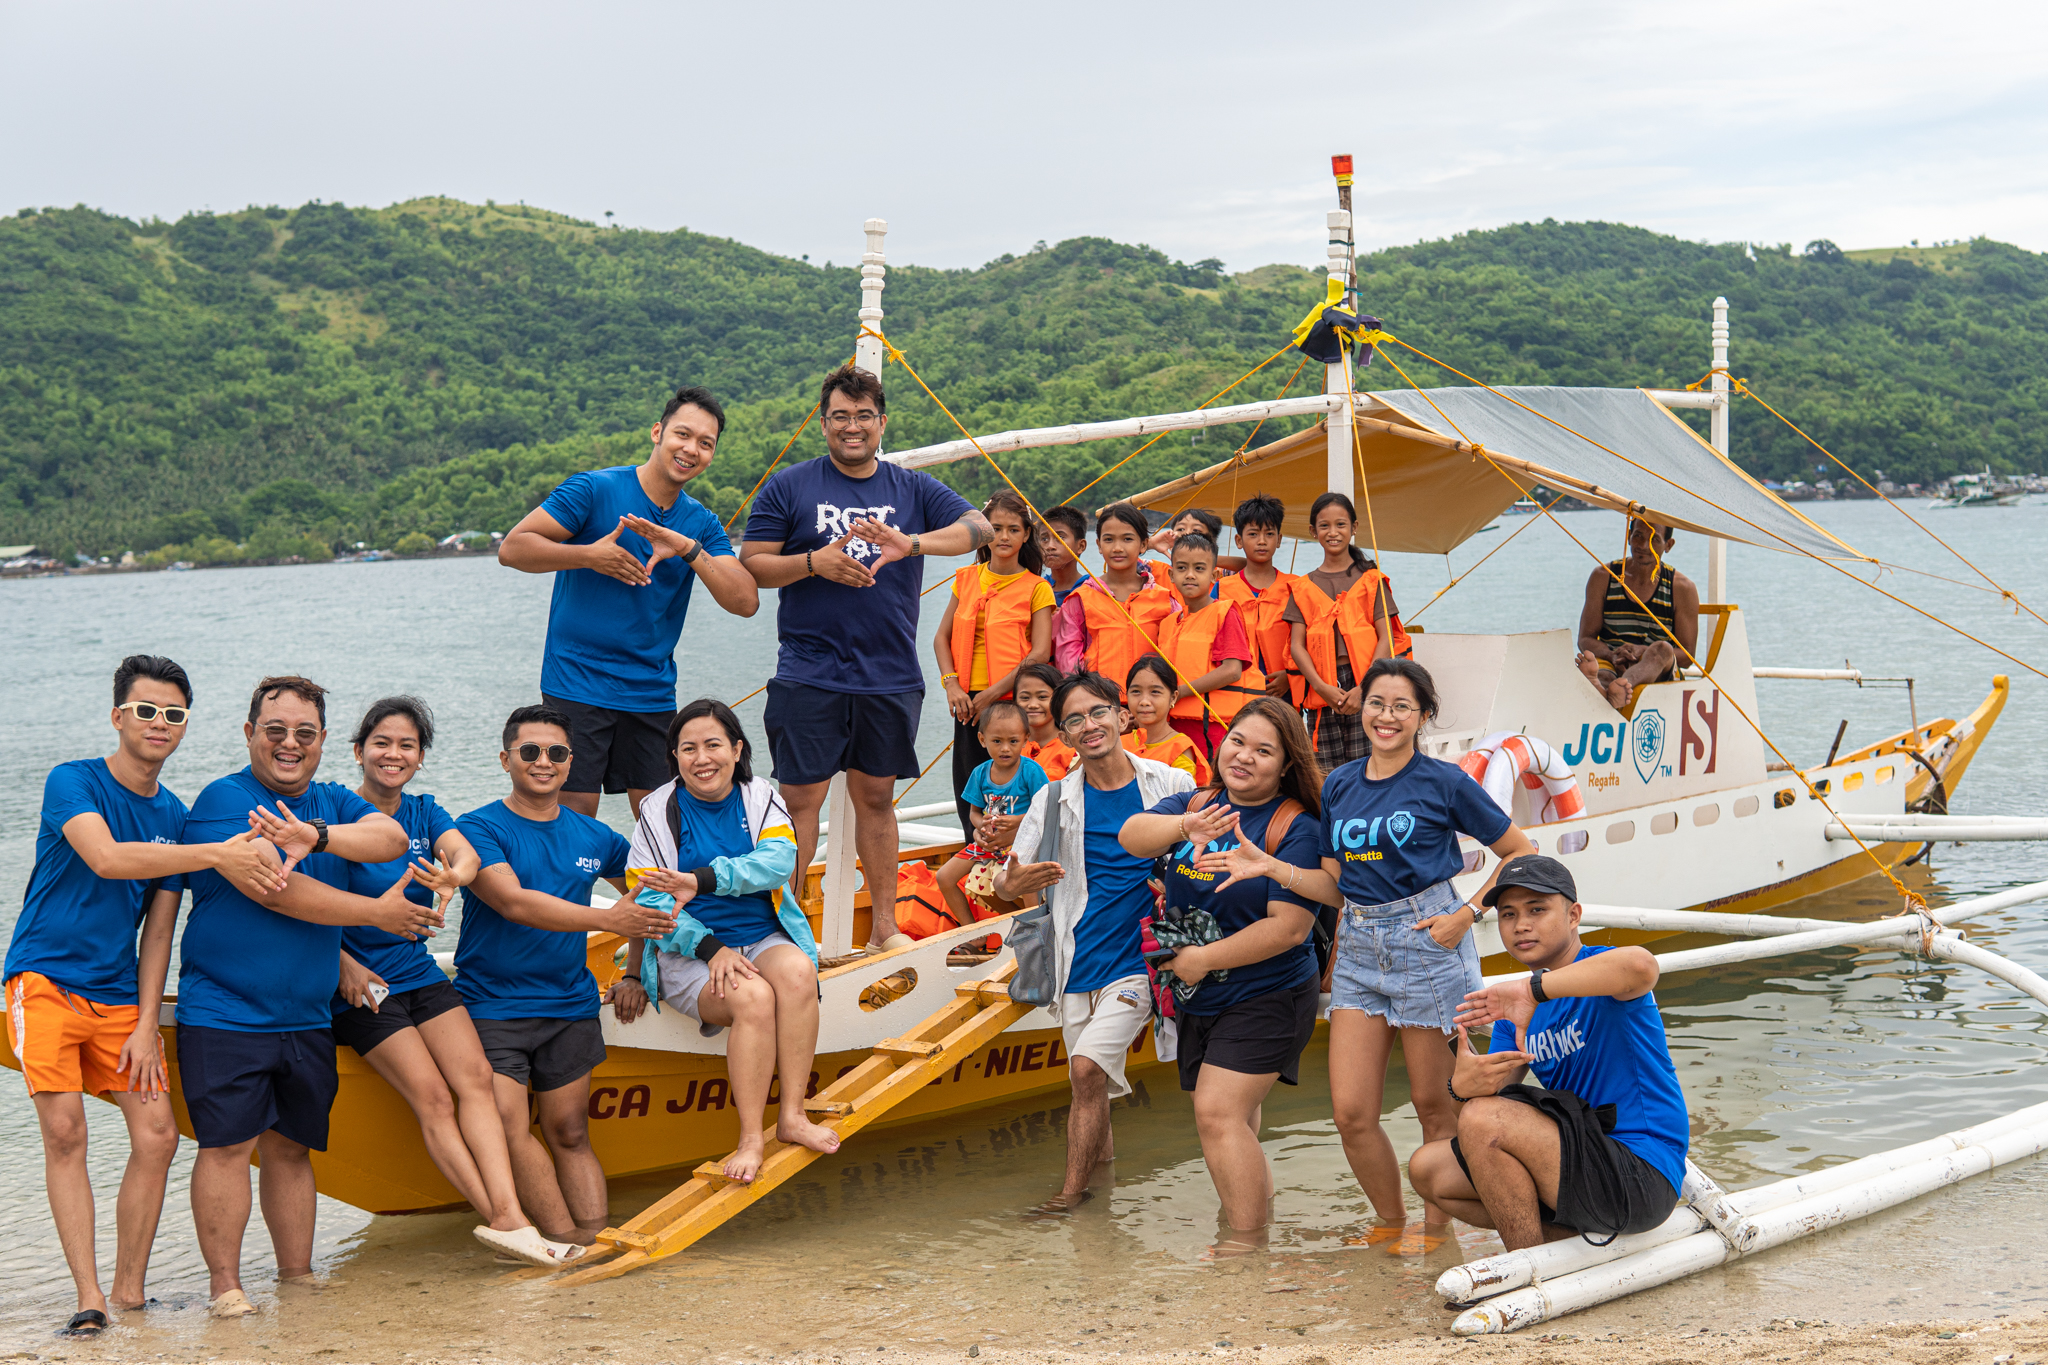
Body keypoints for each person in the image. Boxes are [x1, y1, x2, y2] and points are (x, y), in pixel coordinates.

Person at [3, 656, 288, 1337]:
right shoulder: (73, 780)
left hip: (118, 999)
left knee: (158, 1136)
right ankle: (89, 1294)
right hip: (42, 981)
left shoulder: (178, 816)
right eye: (147, 710)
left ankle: (130, 1289)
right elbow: (106, 858)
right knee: (65, 1132)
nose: (161, 724)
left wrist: (143, 1020)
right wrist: (217, 853)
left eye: (174, 715)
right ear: (118, 716)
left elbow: (159, 928)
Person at [1235, 659, 1535, 1253]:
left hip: (1428, 941)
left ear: (1424, 715)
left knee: (1433, 1104)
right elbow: (1334, 886)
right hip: (1359, 949)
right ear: (1361, 707)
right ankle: (1391, 1220)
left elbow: (1518, 850)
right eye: (1377, 703)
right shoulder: (1341, 783)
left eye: (1402, 706)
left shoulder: (1443, 782)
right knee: (1350, 1111)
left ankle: (1437, 1228)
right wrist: (1275, 869)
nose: (1387, 716)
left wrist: (1467, 913)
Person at [176, 675, 432, 1317]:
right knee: (228, 1147)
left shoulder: (329, 801)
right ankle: (225, 1289)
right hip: (227, 1011)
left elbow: (392, 839)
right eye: (275, 731)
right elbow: (275, 888)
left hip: (308, 1015)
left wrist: (316, 835)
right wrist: (376, 914)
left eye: (305, 733)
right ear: (248, 734)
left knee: (292, 1148)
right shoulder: (224, 799)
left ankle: (296, 1275)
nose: (289, 744)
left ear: (321, 740)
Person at [739, 364, 991, 945]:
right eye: (839, 417)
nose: (851, 427)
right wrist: (813, 563)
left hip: (889, 672)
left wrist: (913, 543)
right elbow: (753, 562)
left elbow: (977, 526)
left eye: (863, 417)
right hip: (809, 669)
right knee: (800, 800)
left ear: (882, 422)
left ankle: (883, 929)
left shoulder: (911, 488)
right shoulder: (790, 485)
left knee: (876, 797)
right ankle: (784, 930)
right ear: (823, 423)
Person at [328, 696, 581, 1267]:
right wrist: (339, 962)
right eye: (382, 743)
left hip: (417, 971)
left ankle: (510, 1214)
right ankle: (506, 1221)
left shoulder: (423, 811)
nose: (394, 755)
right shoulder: (335, 815)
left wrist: (453, 878)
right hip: (363, 983)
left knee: (479, 1085)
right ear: (358, 751)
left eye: (407, 746)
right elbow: (306, 903)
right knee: (436, 1098)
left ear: (420, 757)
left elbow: (464, 856)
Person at [454, 705, 674, 1246]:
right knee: (509, 1129)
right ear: (506, 759)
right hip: (492, 1007)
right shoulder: (476, 828)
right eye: (530, 752)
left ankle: (596, 1242)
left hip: (569, 1006)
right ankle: (562, 1244)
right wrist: (609, 920)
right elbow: (513, 903)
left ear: (572, 762)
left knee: (571, 1132)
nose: (543, 762)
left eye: (556, 753)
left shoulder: (595, 836)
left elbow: (649, 895)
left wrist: (636, 971)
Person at [499, 385, 760, 822]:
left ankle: (649, 893)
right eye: (682, 434)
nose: (690, 449)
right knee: (575, 820)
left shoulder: (700, 523)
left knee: (664, 821)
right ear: (657, 432)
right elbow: (514, 548)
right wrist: (588, 556)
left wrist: (687, 548)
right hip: (576, 683)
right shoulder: (594, 489)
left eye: (705, 443)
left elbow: (745, 601)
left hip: (650, 692)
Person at [1116, 698, 1324, 1245]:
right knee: (1236, 1120)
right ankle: (1254, 1218)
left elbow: (1290, 928)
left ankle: (1243, 1246)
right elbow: (1131, 836)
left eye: (1264, 750)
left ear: (1286, 765)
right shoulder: (1199, 803)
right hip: (1198, 997)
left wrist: (1201, 960)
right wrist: (1183, 824)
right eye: (1237, 741)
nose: (1245, 756)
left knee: (1216, 1113)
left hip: (1269, 992)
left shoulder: (1293, 827)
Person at [608, 699, 841, 1183]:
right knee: (753, 998)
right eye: (688, 748)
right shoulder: (658, 809)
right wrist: (712, 949)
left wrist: (703, 879)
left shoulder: (761, 797)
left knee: (798, 973)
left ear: (736, 749)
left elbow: (779, 861)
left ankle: (793, 1116)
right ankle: (751, 1139)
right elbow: (650, 901)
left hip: (761, 935)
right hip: (687, 950)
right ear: (674, 756)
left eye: (713, 745)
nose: (702, 758)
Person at [1409, 855, 1688, 1250]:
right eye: (1507, 914)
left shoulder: (1599, 971)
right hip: (1576, 1160)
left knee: (1483, 1118)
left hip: (1642, 1174)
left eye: (1537, 909)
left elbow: (1642, 966)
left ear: (1573, 915)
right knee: (1429, 1169)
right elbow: (1479, 1122)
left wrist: (1532, 989)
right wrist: (1461, 1087)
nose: (1521, 924)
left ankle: (1526, 1266)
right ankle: (1556, 1245)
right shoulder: (1512, 1016)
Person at [995, 671, 1196, 1212]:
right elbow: (1003, 880)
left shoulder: (1171, 785)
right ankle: (1102, 1204)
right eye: (1075, 720)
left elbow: (1201, 856)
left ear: (1123, 715)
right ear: (1062, 735)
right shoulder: (1054, 799)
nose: (1090, 725)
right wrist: (1011, 884)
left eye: (1100, 712)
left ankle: (1068, 1196)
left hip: (1140, 960)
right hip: (1075, 960)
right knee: (1092, 1088)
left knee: (1086, 1071)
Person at [935, 490, 1054, 836]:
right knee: (970, 780)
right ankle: (974, 851)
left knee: (1009, 781)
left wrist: (992, 693)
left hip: (1008, 700)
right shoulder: (966, 579)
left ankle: (1006, 854)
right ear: (984, 533)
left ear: (1026, 534)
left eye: (1013, 529)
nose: (1004, 537)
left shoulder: (1036, 587)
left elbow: (1040, 653)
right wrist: (952, 684)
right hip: (966, 700)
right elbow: (940, 638)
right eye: (996, 528)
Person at [1285, 492, 1412, 772]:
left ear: (1354, 528)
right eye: (1324, 526)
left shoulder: (1371, 580)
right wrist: (1320, 687)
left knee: (1369, 762)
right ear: (1312, 531)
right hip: (1324, 686)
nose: (1333, 532)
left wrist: (1364, 687)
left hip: (1366, 682)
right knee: (1325, 770)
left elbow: (1386, 636)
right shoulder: (1303, 586)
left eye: (1341, 525)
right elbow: (1297, 646)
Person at [935, 701, 1048, 929]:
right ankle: (971, 932)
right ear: (982, 740)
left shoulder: (1030, 771)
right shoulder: (980, 773)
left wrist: (1017, 820)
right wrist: (980, 827)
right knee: (944, 877)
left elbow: (1045, 809)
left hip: (1021, 843)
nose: (1005, 748)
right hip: (989, 842)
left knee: (1026, 885)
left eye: (1013, 741)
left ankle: (1036, 932)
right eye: (997, 741)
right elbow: (974, 813)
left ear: (1026, 738)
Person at [1575, 519, 1699, 710]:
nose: (1642, 545)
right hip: (1612, 660)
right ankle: (1610, 690)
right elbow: (1585, 638)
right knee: (1603, 673)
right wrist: (1612, 654)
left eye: (1654, 539)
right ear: (1628, 537)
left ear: (1668, 545)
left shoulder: (1682, 588)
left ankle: (1620, 687)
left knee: (1663, 649)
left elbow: (1688, 655)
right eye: (1638, 536)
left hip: (1657, 667)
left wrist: (1642, 652)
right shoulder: (1604, 576)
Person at [1053, 502, 1178, 692]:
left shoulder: (1166, 600)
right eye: (1109, 539)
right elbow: (1068, 663)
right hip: (1099, 706)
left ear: (1143, 544)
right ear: (1099, 545)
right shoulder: (1080, 598)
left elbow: (1175, 656)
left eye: (1127, 539)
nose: (1117, 548)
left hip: (1151, 706)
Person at [1155, 533, 1261, 756]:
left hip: (1215, 726)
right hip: (1175, 726)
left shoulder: (1225, 612)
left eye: (1199, 569)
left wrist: (1179, 692)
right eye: (1182, 568)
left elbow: (1232, 670)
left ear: (1214, 575)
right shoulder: (1168, 624)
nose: (1190, 575)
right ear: (1171, 575)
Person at [1217, 494, 1303, 703]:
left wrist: (1290, 676)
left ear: (1279, 539)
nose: (1262, 541)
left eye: (1269, 534)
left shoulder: (1297, 587)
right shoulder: (1221, 589)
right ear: (1239, 540)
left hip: (1284, 692)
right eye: (1253, 534)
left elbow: (1309, 641)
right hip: (1237, 693)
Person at [1120, 655, 1210, 786]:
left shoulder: (1179, 748)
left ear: (1173, 698)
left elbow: (1181, 800)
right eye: (1136, 691)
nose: (1144, 701)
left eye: (1155, 692)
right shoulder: (1119, 743)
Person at [1014, 662, 1076, 781]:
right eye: (1025, 698)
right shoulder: (1008, 745)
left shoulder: (1072, 748)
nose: (1032, 705)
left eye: (1042, 697)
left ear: (1059, 700)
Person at [1038, 505, 1093, 608]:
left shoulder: (1092, 590)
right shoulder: (1037, 589)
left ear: (1081, 546)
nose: (1050, 546)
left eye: (1060, 537)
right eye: (1044, 539)